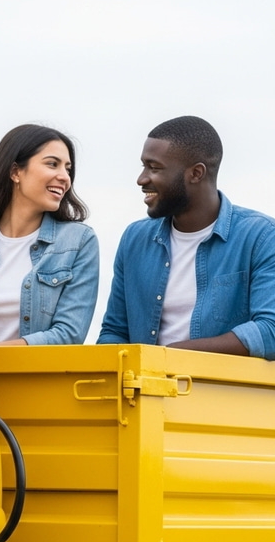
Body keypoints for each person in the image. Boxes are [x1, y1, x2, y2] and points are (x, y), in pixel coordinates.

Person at [98, 115, 275, 359]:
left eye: (154, 167)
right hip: (142, 383)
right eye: (143, 166)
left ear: (196, 173)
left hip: (217, 384)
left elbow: (269, 331)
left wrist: (170, 357)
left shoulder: (261, 237)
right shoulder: (134, 239)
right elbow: (115, 331)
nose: (141, 179)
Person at [0, 124, 99, 345]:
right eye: (52, 164)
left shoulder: (78, 241)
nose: (65, 177)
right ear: (15, 172)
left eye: (68, 169)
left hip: (30, 370)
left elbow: (68, 335)